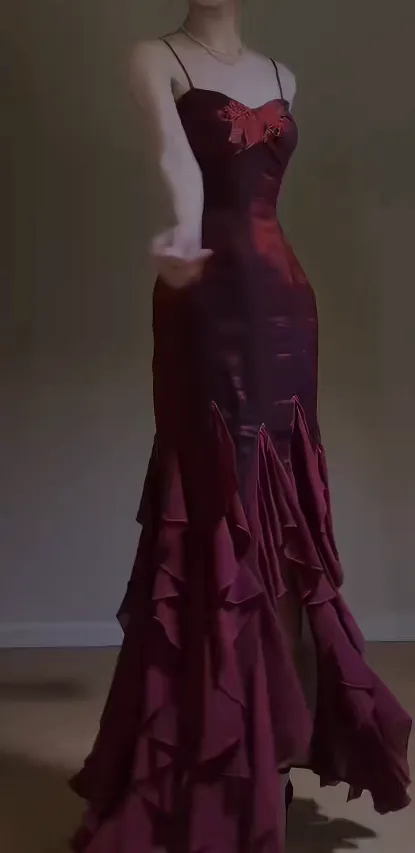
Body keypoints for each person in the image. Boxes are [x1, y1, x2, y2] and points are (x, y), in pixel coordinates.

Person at [70, 2, 412, 851]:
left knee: (282, 515)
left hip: (284, 300)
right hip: (205, 297)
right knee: (214, 500)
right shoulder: (154, 56)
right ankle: (209, 758)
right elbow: (172, 156)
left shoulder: (283, 74)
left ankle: (272, 745)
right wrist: (182, 237)